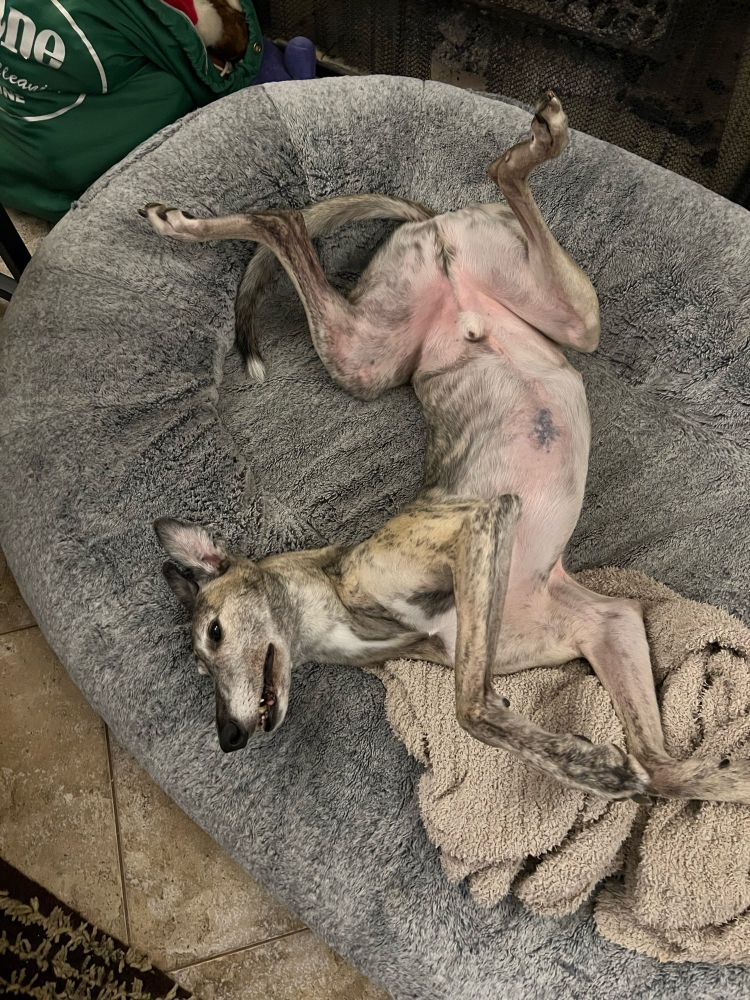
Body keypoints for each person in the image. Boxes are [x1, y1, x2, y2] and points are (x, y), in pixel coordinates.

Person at [0, 0, 316, 221]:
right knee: (188, 78)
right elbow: (215, 81)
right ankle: (297, 106)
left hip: (14, 166)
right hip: (85, 184)